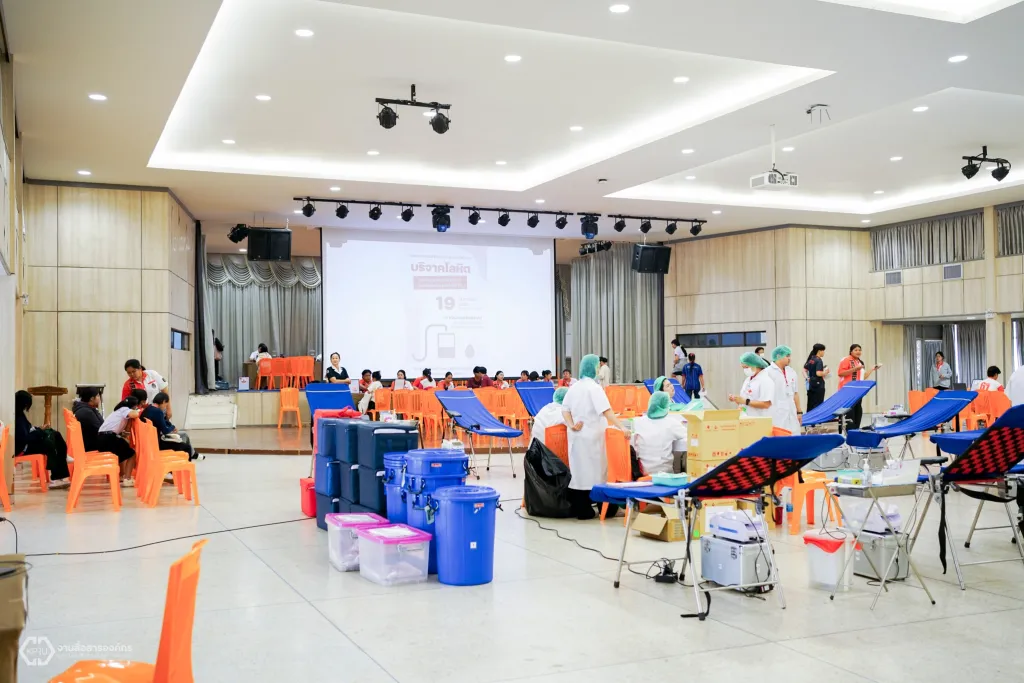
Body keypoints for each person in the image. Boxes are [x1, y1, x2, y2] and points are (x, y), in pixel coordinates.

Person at [561, 354, 627, 520]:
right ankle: (607, 509)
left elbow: (565, 410)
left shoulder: (574, 387)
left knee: (580, 474)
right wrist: (622, 427)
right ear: (593, 368)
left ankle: (582, 510)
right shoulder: (594, 388)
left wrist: (571, 424)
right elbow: (606, 411)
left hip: (577, 437)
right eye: (598, 366)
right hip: (593, 437)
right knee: (598, 474)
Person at [14, 390, 71, 488]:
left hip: (27, 443)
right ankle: (55, 478)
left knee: (55, 435)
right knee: (50, 444)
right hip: (23, 448)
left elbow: (28, 430)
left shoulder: (20, 415)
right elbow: (24, 439)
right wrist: (39, 431)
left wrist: (38, 429)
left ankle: (63, 460)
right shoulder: (18, 418)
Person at [630, 391, 687, 475]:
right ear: (666, 406)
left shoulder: (638, 422)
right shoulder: (671, 423)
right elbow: (688, 435)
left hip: (642, 473)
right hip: (664, 474)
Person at [97, 395, 142, 484]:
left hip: (102, 438)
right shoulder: (124, 409)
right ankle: (127, 479)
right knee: (132, 454)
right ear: (133, 406)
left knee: (123, 450)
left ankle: (122, 475)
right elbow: (134, 414)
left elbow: (125, 429)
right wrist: (138, 411)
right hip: (108, 438)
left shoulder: (119, 410)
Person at [142, 392, 199, 461]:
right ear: (163, 402)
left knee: (182, 439)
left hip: (147, 441)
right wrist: (172, 427)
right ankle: (184, 465)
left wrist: (172, 426)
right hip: (157, 443)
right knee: (187, 447)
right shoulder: (158, 412)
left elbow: (163, 421)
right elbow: (165, 431)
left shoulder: (148, 408)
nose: (165, 408)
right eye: (165, 405)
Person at [837, 344, 879, 430]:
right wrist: (855, 369)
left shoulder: (860, 362)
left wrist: (872, 369)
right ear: (851, 351)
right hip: (847, 390)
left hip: (858, 391)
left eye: (859, 350)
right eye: (856, 350)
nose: (858, 352)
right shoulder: (846, 360)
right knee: (849, 412)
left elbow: (863, 377)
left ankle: (855, 431)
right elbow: (840, 373)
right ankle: (848, 432)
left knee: (858, 411)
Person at [726, 352, 773, 418]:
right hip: (746, 418)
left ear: (755, 365)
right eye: (743, 368)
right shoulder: (748, 380)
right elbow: (745, 401)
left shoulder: (766, 381)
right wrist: (737, 399)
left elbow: (766, 404)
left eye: (746, 367)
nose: (745, 370)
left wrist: (745, 401)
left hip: (759, 419)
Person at [766, 346, 801, 434]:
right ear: (778, 356)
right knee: (780, 436)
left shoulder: (791, 372)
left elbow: (795, 393)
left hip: (791, 411)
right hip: (776, 412)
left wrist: (799, 411)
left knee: (795, 435)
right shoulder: (768, 372)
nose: (789, 358)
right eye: (787, 356)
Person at [72, 387, 105, 453]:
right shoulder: (87, 412)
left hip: (88, 443)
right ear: (92, 399)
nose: (99, 398)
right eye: (98, 396)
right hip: (92, 446)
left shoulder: (82, 408)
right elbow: (101, 429)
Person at [803, 343, 830, 413]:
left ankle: (809, 418)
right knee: (818, 404)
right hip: (818, 385)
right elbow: (818, 373)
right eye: (823, 350)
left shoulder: (811, 359)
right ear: (819, 351)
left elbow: (804, 369)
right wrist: (825, 372)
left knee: (810, 403)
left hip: (811, 384)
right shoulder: (819, 360)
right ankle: (817, 418)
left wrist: (807, 378)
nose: (824, 352)